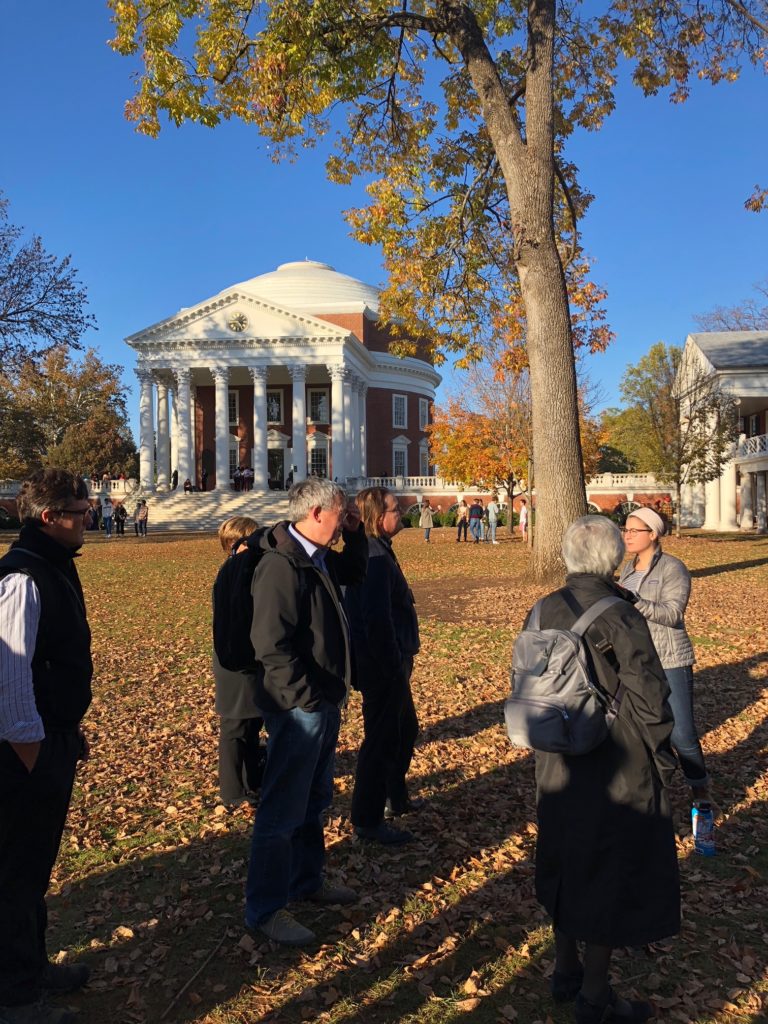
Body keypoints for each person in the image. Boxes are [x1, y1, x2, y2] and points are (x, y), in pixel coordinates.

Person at [529, 516, 679, 1024]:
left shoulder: (542, 606)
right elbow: (651, 695)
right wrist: (663, 757)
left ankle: (565, 971)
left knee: (565, 860)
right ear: (612, 559)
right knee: (608, 871)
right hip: (614, 760)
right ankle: (594, 995)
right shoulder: (620, 613)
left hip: (554, 756)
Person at [244, 478, 368, 946]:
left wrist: (355, 532)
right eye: (340, 514)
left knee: (314, 801)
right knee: (281, 810)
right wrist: (305, 698)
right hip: (299, 708)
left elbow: (354, 573)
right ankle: (265, 909)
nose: (343, 522)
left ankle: (306, 881)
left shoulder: (315, 558)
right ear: (316, 513)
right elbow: (270, 645)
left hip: (323, 700)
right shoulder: (282, 565)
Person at [0, 469, 94, 1024]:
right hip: (21, 753)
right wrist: (33, 749)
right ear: (48, 518)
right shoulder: (21, 579)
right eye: (80, 513)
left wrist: (65, 730)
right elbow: (11, 677)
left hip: (47, 740)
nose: (88, 519)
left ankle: (31, 967)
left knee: (34, 869)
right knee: (15, 872)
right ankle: (14, 996)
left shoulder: (52, 568)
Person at [619, 506, 710, 801]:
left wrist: (632, 600)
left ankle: (701, 794)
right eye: (626, 530)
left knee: (682, 734)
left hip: (670, 659)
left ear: (653, 534)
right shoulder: (627, 569)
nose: (627, 536)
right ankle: (655, 797)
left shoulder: (673, 568)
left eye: (635, 530)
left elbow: (672, 614)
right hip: (636, 660)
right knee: (643, 733)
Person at [346, 488, 421, 846]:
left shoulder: (378, 551)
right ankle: (367, 818)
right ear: (379, 519)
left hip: (387, 662)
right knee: (382, 739)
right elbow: (374, 620)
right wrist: (392, 665)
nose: (401, 513)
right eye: (395, 509)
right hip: (382, 666)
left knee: (404, 730)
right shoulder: (374, 558)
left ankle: (396, 797)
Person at [212, 516, 264, 807]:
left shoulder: (242, 569)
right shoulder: (233, 571)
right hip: (235, 660)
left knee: (251, 724)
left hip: (245, 657)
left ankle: (250, 781)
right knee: (235, 727)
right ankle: (232, 791)